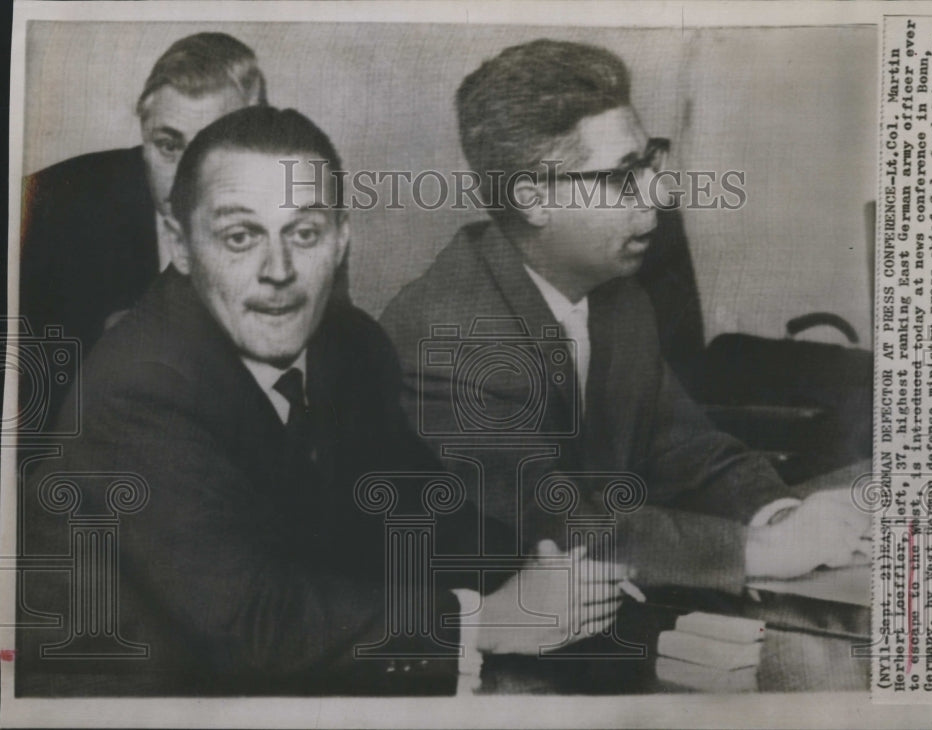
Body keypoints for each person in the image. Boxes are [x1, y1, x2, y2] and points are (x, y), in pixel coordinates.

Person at [16, 106, 625, 697]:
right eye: (240, 236)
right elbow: (253, 623)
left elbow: (419, 511)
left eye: (304, 233)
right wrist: (486, 620)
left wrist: (547, 573)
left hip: (274, 687)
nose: (278, 270)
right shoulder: (138, 388)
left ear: (340, 239)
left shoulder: (350, 345)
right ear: (181, 244)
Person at [379, 39, 871, 594]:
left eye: (648, 160)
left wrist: (784, 516)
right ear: (533, 199)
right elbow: (552, 525)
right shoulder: (443, 335)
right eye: (622, 176)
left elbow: (684, 448)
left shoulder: (616, 295)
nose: (656, 192)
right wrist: (762, 550)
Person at [19, 32, 351, 368]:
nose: (184, 177)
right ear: (144, 135)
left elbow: (326, 363)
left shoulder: (300, 212)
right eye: (168, 145)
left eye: (212, 147)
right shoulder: (51, 207)